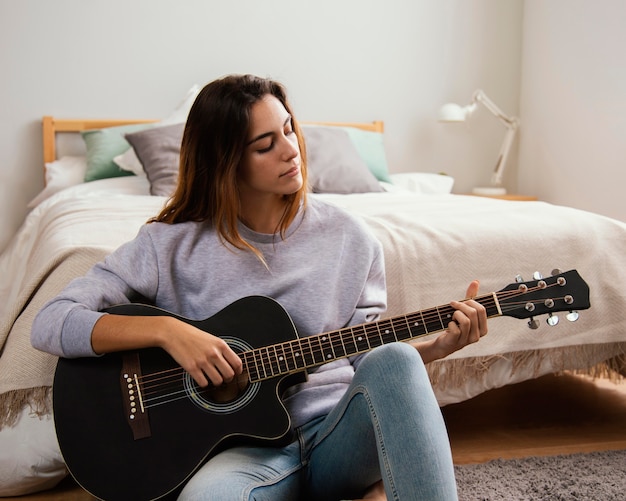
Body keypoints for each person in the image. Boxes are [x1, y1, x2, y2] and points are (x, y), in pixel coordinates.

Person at [32, 74, 488, 500]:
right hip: (243, 456)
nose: (291, 150)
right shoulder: (166, 246)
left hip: (339, 433)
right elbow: (51, 322)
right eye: (265, 145)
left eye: (289, 130)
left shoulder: (351, 238)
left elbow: (365, 362)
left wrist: (434, 348)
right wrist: (170, 334)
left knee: (398, 357)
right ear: (224, 161)